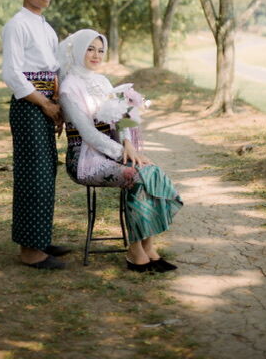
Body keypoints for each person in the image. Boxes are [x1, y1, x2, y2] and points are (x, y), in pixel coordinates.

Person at [58, 29, 183, 273]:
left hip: (114, 150)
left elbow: (120, 116)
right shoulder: (68, 88)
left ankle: (148, 247)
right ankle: (135, 251)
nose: (96, 55)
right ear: (78, 50)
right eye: (90, 49)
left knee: (151, 171)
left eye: (100, 50)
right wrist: (122, 154)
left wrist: (128, 145)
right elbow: (89, 134)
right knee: (136, 176)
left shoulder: (103, 81)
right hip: (86, 158)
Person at [1, 0, 70, 270]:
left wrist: (58, 107)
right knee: (33, 175)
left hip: (46, 105)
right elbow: (12, 74)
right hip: (29, 106)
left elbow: (53, 71)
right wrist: (44, 104)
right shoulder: (17, 25)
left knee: (46, 173)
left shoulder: (46, 27)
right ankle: (29, 252)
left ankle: (39, 239)